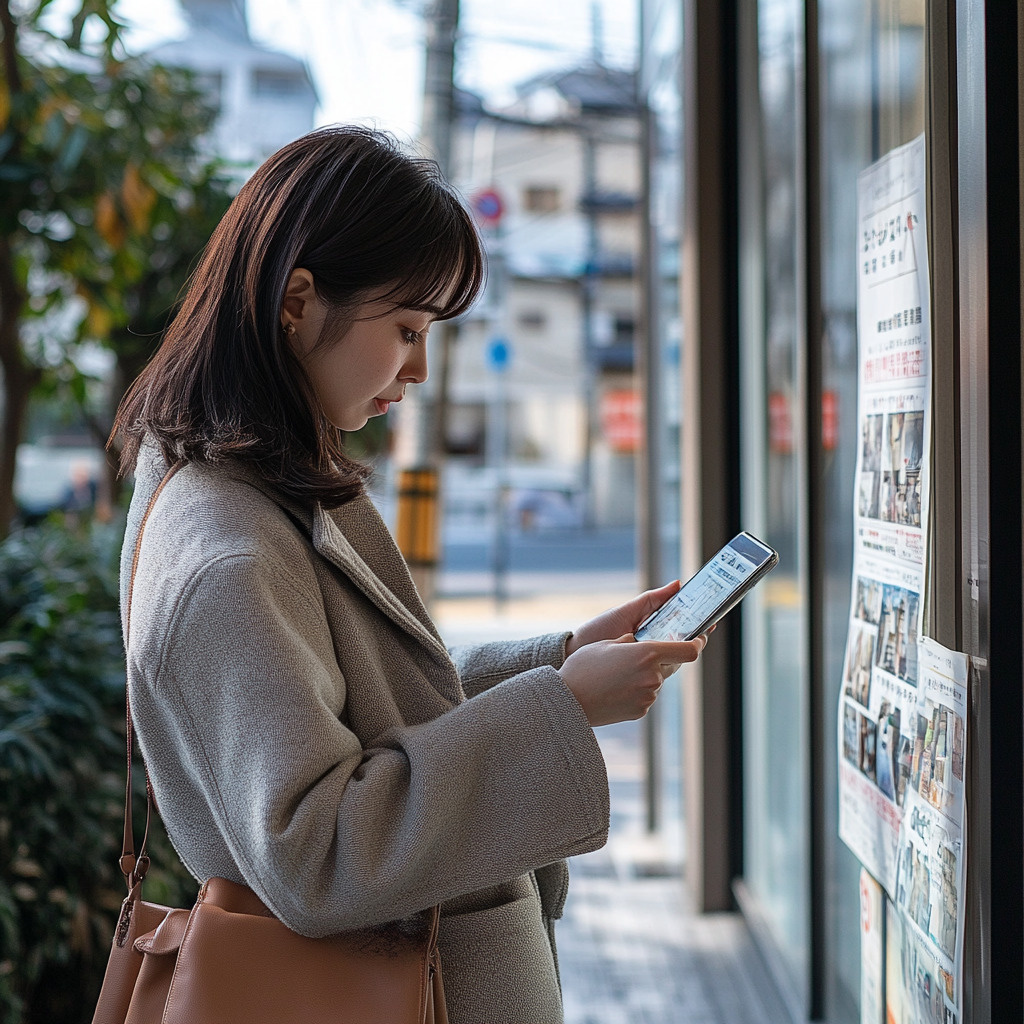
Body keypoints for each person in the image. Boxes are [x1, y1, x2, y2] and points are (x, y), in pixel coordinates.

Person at [109, 125, 708, 1024]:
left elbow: (351, 709)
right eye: (406, 329)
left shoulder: (251, 481)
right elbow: (318, 851)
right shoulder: (225, 546)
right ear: (297, 303)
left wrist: (558, 660)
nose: (420, 369)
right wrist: (567, 707)